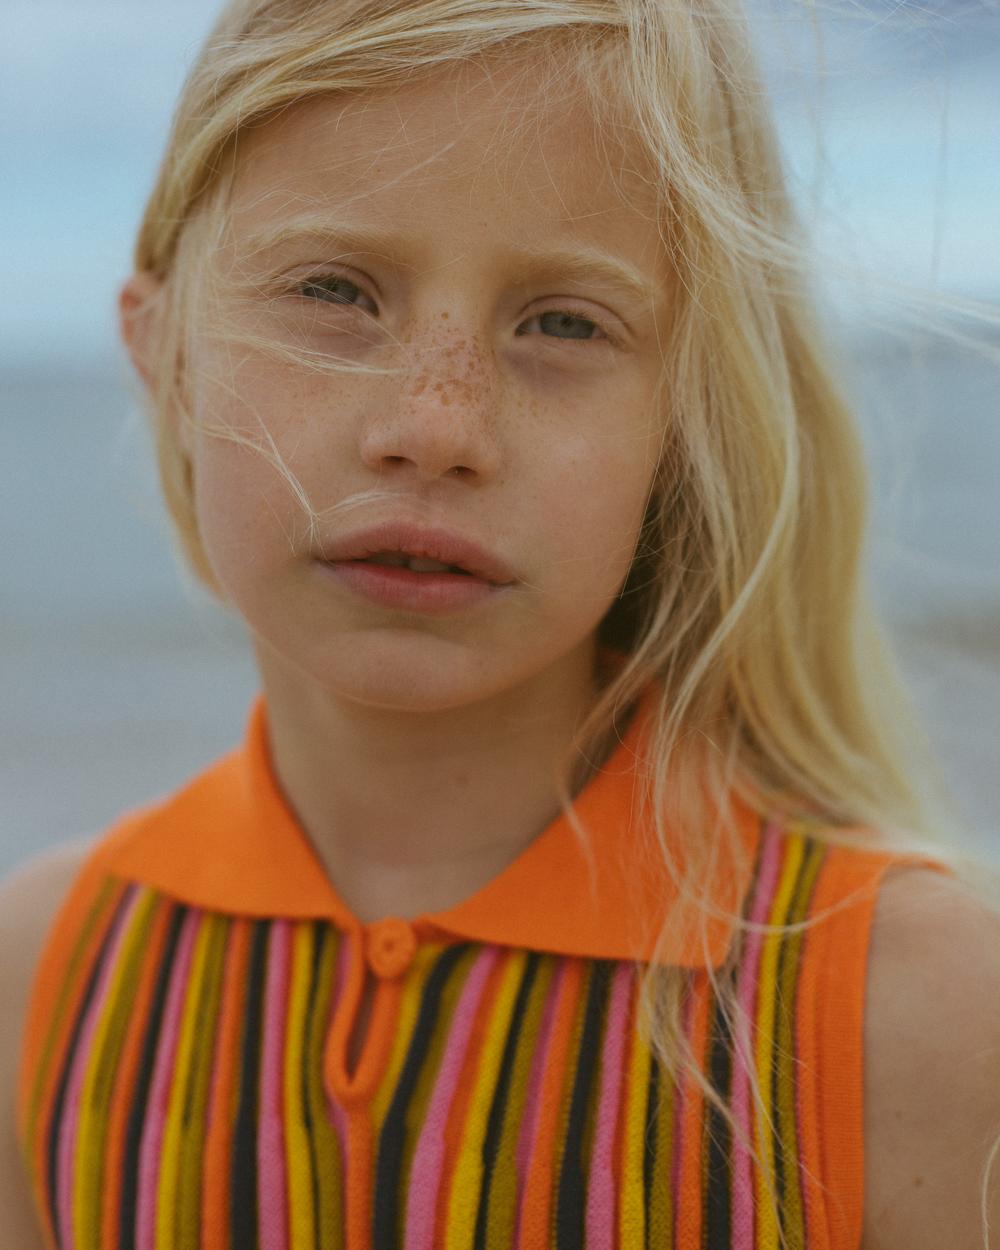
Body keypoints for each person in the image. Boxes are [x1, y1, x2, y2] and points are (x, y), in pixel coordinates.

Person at [2, 1, 999, 1247]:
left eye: (564, 322)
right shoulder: (50, 976)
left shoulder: (898, 1000)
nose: (437, 425)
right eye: (332, 290)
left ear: (680, 419)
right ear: (166, 351)